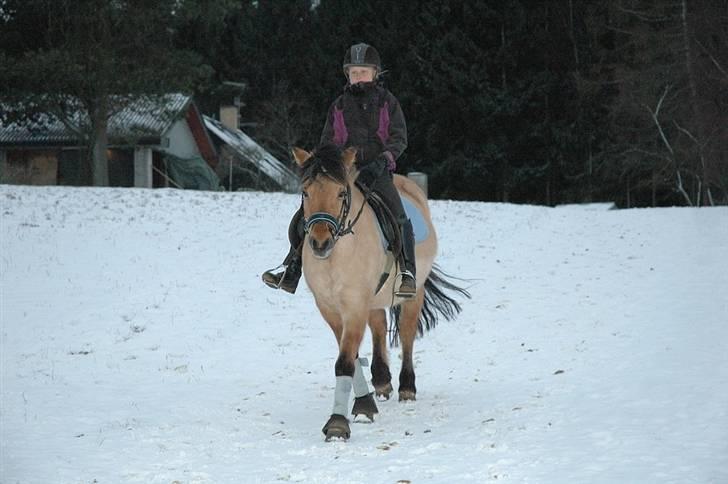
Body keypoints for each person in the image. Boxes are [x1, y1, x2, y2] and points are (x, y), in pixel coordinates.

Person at [262, 42, 416, 298]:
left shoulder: (388, 103)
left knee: (399, 216)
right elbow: (329, 142)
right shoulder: (339, 105)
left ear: (375, 73)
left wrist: (384, 159)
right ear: (348, 75)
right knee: (307, 212)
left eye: (363, 72)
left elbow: (399, 138)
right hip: (343, 172)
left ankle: (407, 272)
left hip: (377, 171)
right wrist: (330, 166)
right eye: (354, 73)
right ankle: (291, 268)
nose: (359, 77)